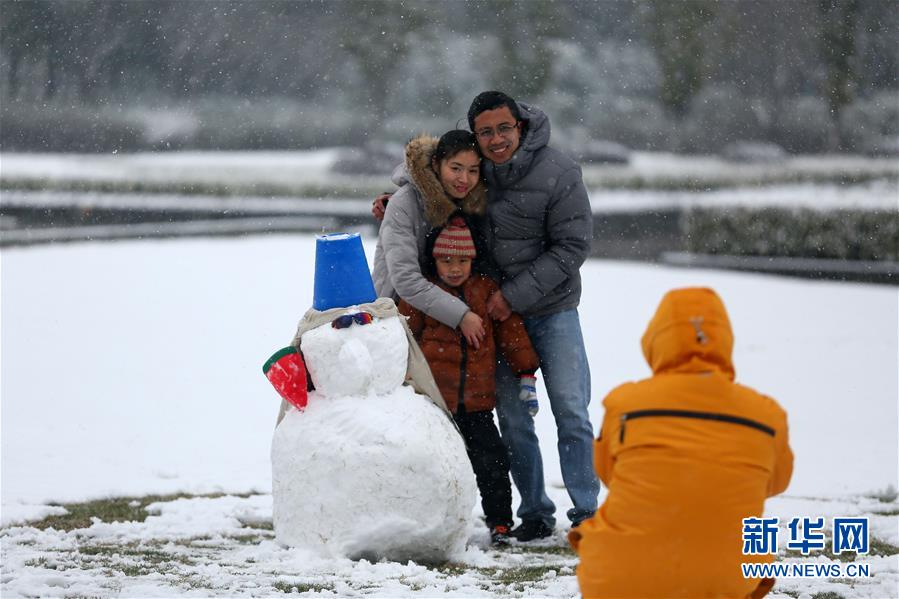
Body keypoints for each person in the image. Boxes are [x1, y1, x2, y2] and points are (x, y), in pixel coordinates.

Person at [569, 287, 794, 598]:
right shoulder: (767, 415)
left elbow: (608, 473)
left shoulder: (625, 405)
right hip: (721, 579)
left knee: (597, 537)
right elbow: (777, 482)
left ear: (656, 339)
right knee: (756, 558)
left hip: (622, 580)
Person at [468, 91, 599, 541]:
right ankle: (535, 513)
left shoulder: (559, 171)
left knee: (571, 411)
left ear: (520, 126)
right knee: (513, 418)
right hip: (499, 322)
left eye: (503, 128)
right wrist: (393, 200)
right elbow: (428, 184)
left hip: (553, 310)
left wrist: (513, 296)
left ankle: (587, 512)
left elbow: (573, 246)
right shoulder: (474, 172)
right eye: (485, 132)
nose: (496, 139)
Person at [398, 218, 540, 546]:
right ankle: (428, 524)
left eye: (461, 260)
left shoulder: (485, 291)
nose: (454, 268)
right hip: (436, 405)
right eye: (446, 261)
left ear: (472, 260)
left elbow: (512, 335)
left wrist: (526, 371)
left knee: (492, 463)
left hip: (477, 405)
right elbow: (405, 336)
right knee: (434, 465)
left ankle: (500, 523)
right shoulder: (425, 294)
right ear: (434, 261)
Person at [372, 130, 490, 350]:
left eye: (473, 170)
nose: (464, 179)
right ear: (436, 164)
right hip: (395, 319)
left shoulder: (470, 203)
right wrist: (461, 315)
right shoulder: (403, 204)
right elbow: (406, 279)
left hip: (443, 322)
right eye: (455, 168)